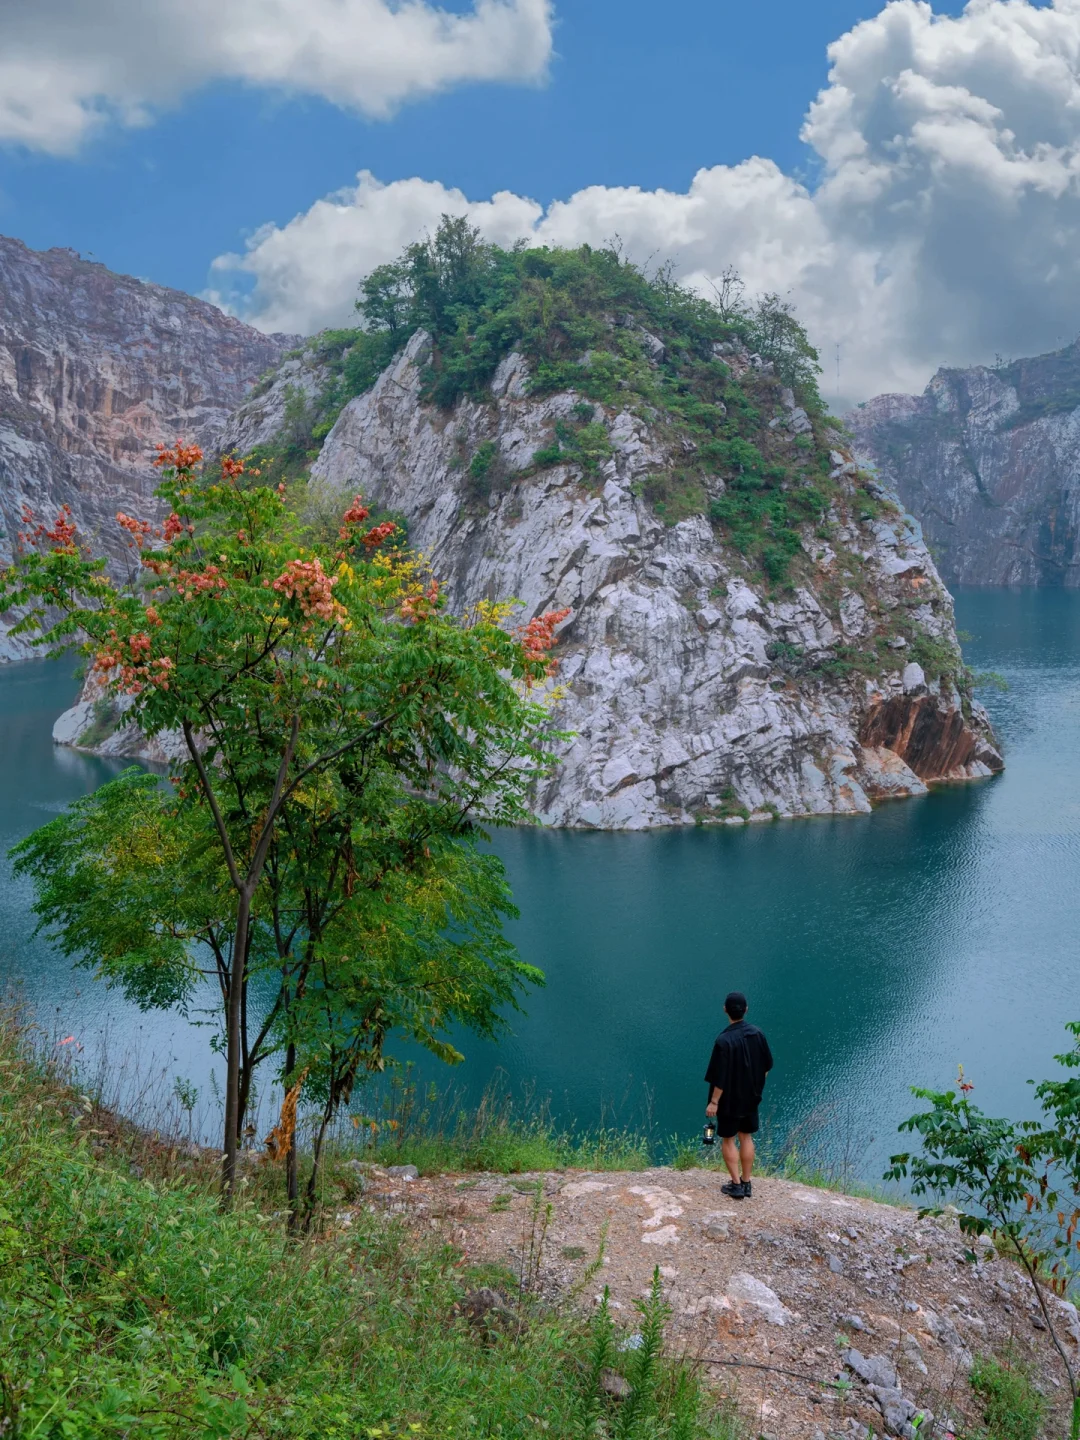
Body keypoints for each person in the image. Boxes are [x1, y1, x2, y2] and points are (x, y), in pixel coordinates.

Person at [703, 991, 773, 1199]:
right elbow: (766, 1066)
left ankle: (736, 1185)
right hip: (751, 1097)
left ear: (725, 1010)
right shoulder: (757, 1034)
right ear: (746, 1010)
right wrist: (755, 1087)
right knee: (746, 1137)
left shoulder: (723, 1041)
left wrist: (714, 1102)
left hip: (729, 1101)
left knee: (728, 1140)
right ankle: (747, 1181)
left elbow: (720, 1078)